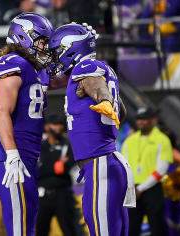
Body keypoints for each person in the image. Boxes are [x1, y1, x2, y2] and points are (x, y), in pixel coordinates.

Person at [49, 23, 134, 236]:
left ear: (72, 48)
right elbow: (121, 112)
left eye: (58, 50)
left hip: (101, 165)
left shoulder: (84, 68)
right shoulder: (103, 67)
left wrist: (103, 99)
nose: (56, 56)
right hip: (105, 164)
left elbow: (96, 84)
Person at [0, 13, 57, 236]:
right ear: (24, 38)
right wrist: (12, 155)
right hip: (12, 161)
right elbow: (2, 113)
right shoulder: (15, 63)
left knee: (27, 229)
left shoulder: (34, 68)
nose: (45, 47)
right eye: (42, 41)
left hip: (27, 160)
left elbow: (61, 69)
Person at [121, 107, 173, 236]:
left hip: (152, 189)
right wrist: (130, 187)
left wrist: (141, 188)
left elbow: (161, 169)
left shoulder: (162, 140)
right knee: (131, 229)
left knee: (157, 228)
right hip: (132, 189)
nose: (141, 122)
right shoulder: (129, 141)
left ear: (153, 120)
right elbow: (124, 166)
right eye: (139, 119)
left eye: (144, 119)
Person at [36, 114, 77, 236]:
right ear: (47, 126)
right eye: (55, 124)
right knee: (40, 230)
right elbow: (38, 170)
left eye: (60, 124)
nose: (58, 127)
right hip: (43, 194)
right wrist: (57, 165)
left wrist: (49, 167)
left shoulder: (67, 144)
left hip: (62, 193)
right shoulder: (41, 146)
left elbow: (68, 164)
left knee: (69, 229)